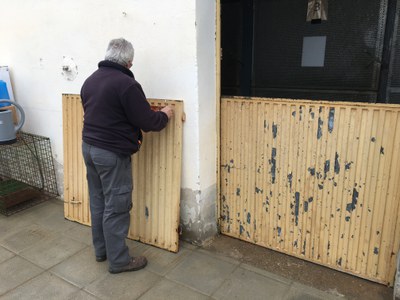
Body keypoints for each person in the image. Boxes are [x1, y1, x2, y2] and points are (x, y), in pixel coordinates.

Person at [80, 38, 174, 274]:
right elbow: (147, 122)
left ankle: (102, 251)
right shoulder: (127, 85)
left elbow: (106, 113)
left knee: (99, 201)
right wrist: (165, 114)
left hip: (89, 147)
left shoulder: (90, 81)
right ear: (129, 62)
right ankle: (119, 261)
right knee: (117, 206)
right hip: (111, 154)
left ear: (108, 55)